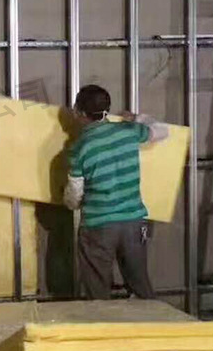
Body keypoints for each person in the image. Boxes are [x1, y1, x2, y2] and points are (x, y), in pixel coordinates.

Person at [63, 84, 169, 300]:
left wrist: (70, 203)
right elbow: (162, 131)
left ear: (79, 112)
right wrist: (137, 118)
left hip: (98, 226)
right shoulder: (129, 132)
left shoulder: (79, 147)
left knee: (97, 291)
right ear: (106, 110)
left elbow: (74, 194)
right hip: (134, 222)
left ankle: (104, 321)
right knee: (139, 284)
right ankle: (152, 319)